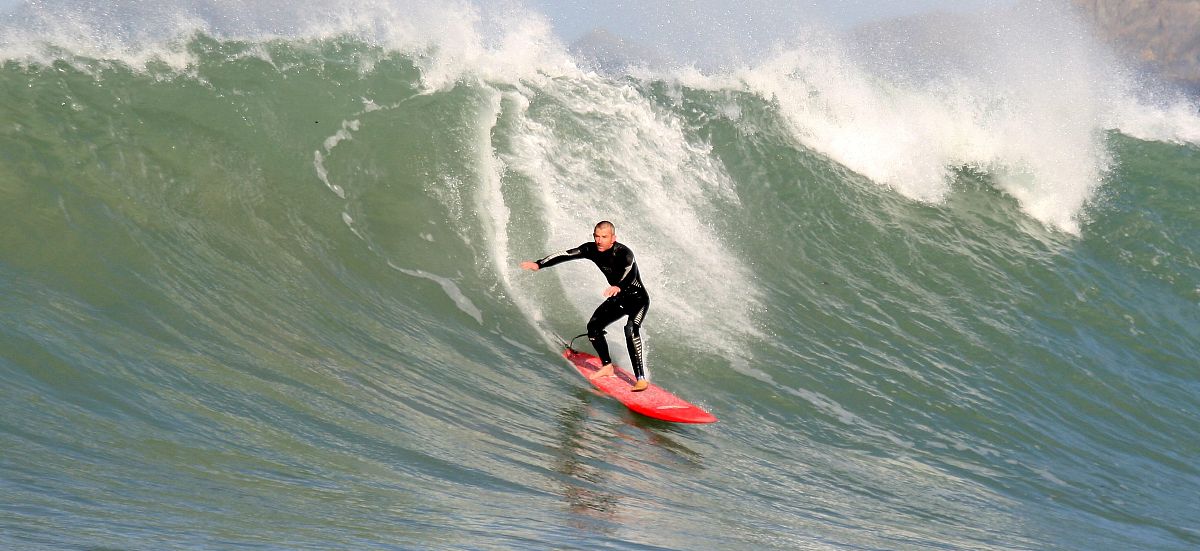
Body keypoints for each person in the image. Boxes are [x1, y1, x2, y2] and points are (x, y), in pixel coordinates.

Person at [520, 221, 651, 391]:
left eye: (604, 237)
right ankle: (607, 366)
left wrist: (619, 286)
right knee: (594, 327)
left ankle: (641, 379)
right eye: (596, 236)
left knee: (630, 329)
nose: (599, 240)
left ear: (613, 238)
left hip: (638, 299)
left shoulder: (624, 253)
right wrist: (539, 264)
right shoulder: (591, 249)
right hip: (619, 298)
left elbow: (630, 273)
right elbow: (566, 254)